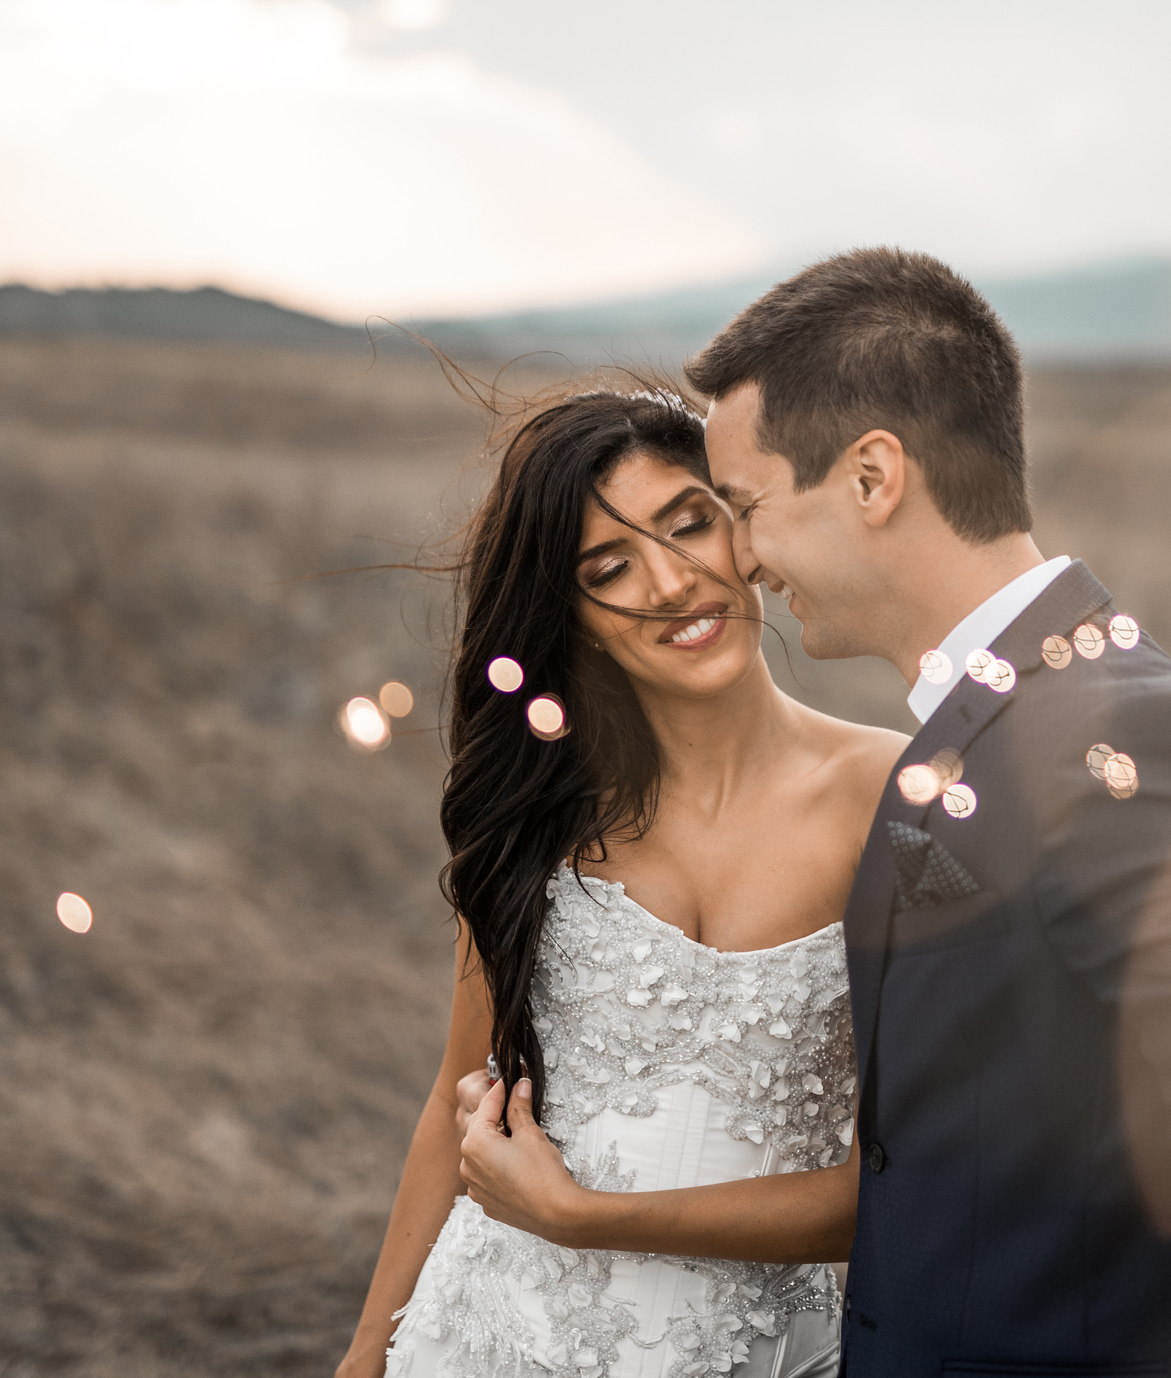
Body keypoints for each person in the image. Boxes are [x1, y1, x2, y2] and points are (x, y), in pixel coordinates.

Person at [443, 250, 1171, 1378]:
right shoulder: (996, 715)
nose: (742, 562)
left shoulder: (1117, 735)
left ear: (872, 478)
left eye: (745, 509)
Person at [334, 387, 907, 1378]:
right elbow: (453, 1102)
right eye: (612, 568)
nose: (675, 580)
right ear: (574, 618)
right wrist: (362, 1358)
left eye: (692, 523)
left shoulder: (892, 798)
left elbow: (896, 1190)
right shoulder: (539, 818)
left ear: (748, 527)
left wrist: (581, 1217)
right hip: (488, 1340)